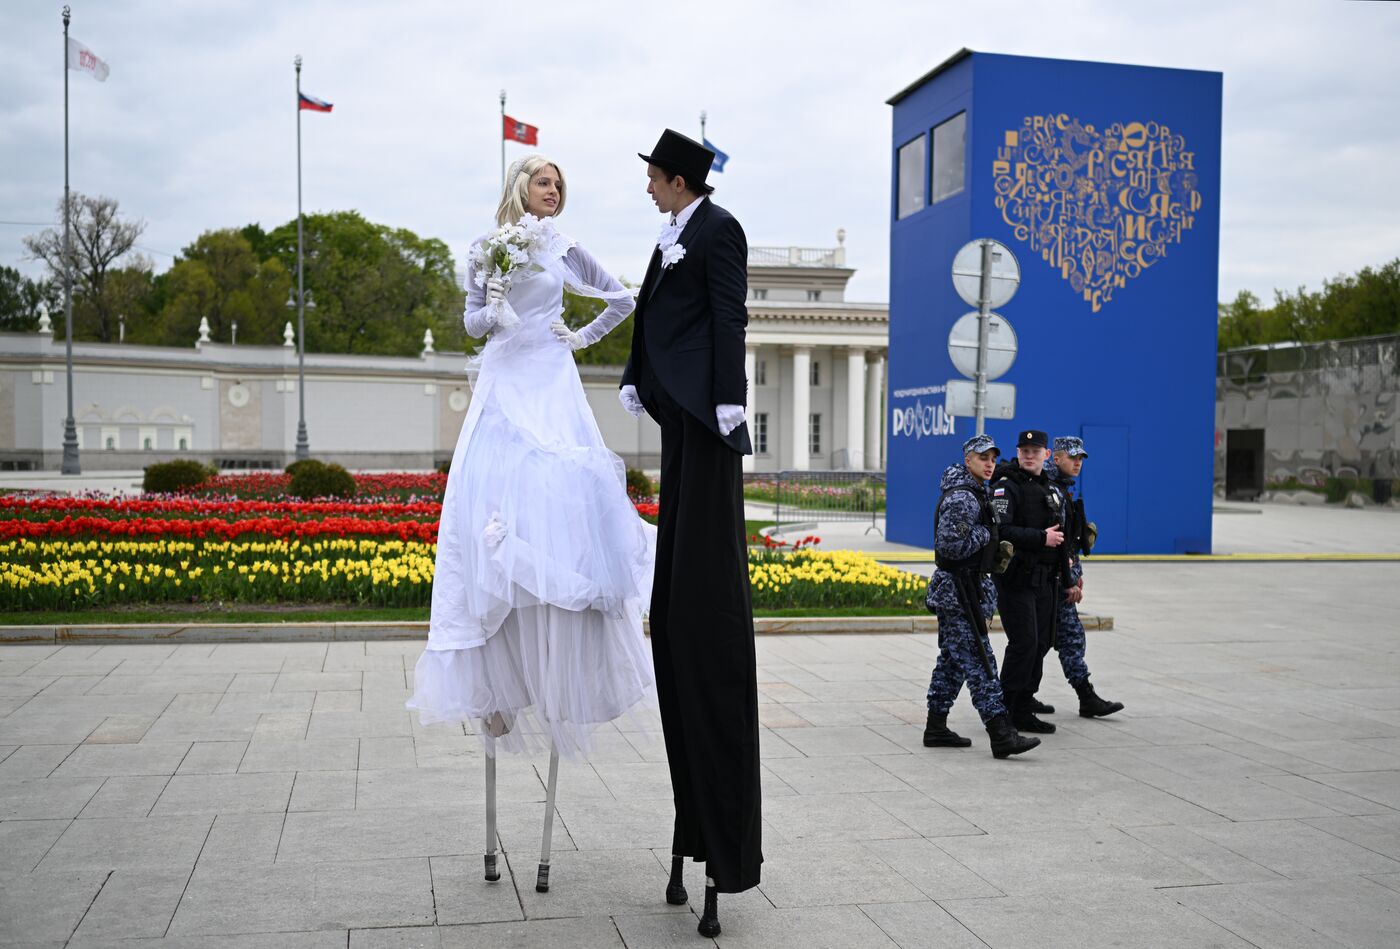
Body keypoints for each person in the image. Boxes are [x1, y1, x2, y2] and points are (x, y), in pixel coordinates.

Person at [406, 154, 655, 888]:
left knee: (559, 508)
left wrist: (574, 337)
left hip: (550, 377)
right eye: (545, 183)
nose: (554, 192)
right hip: (503, 380)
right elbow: (473, 323)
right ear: (521, 187)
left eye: (560, 186)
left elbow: (620, 298)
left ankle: (552, 671)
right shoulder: (489, 246)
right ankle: (497, 687)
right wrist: (498, 311)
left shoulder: (563, 245)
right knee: (491, 510)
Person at [619, 129, 759, 939]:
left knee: (703, 606)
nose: (645, 188)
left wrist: (731, 399)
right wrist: (636, 375)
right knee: (674, 607)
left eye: (651, 177)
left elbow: (727, 312)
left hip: (709, 420)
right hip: (678, 418)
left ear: (678, 180)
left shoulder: (719, 228)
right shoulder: (671, 234)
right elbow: (651, 315)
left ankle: (717, 844)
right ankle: (687, 829)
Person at [923, 434, 1040, 759]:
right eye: (982, 458)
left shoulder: (975, 493)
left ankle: (935, 727)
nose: (989, 464)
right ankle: (1001, 734)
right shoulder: (964, 498)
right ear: (968, 460)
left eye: (992, 458)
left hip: (964, 591)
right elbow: (949, 545)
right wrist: (987, 532)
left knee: (952, 663)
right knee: (982, 663)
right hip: (959, 593)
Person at [990, 429, 1066, 735]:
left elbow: (1062, 536)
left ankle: (1024, 703)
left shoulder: (1051, 488)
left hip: (1046, 580)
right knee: (1025, 643)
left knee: (1043, 642)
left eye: (1035, 451)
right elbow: (1002, 531)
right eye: (1024, 450)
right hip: (1016, 579)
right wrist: (1040, 538)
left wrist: (1069, 576)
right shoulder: (1006, 488)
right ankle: (1005, 708)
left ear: (1047, 455)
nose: (1029, 455)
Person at [1045, 436, 1124, 718]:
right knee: (1061, 639)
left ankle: (1022, 697)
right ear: (1056, 458)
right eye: (1072, 457)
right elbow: (1057, 544)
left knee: (1052, 641)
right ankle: (1083, 697)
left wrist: (1075, 574)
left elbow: (1070, 545)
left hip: (1059, 579)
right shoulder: (1051, 491)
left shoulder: (1062, 490)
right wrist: (1069, 579)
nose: (1078, 463)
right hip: (1052, 583)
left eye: (1080, 458)